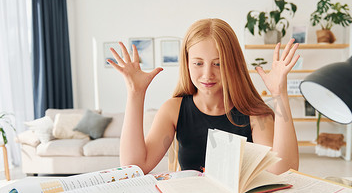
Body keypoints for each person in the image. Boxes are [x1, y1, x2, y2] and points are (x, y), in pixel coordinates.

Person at [108, 18, 299, 175]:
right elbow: (133, 167)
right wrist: (135, 93)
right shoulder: (173, 110)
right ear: (187, 63)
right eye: (198, 63)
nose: (207, 74)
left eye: (218, 64)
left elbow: (283, 171)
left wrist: (279, 94)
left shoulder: (254, 113)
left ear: (233, 64)